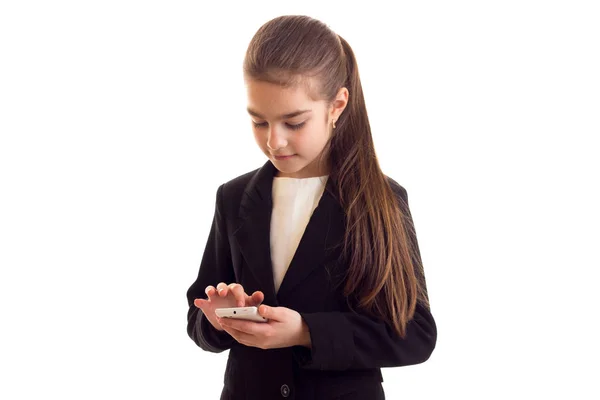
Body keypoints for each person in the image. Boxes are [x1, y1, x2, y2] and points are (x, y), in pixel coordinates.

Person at [186, 15, 437, 400]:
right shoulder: (233, 198)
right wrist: (220, 316)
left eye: (294, 122)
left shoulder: (381, 201)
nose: (274, 142)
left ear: (336, 105)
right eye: (258, 121)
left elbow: (415, 335)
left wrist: (305, 331)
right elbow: (196, 319)